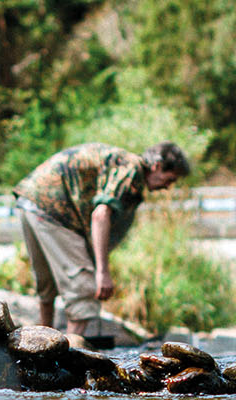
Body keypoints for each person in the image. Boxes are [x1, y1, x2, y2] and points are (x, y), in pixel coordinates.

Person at [12, 141, 191, 344]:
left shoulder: (122, 164)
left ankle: (38, 348)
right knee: (84, 288)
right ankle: (67, 356)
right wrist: (102, 272)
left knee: (47, 284)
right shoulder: (131, 168)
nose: (167, 187)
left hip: (31, 200)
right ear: (157, 166)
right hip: (55, 209)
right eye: (170, 179)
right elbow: (100, 214)